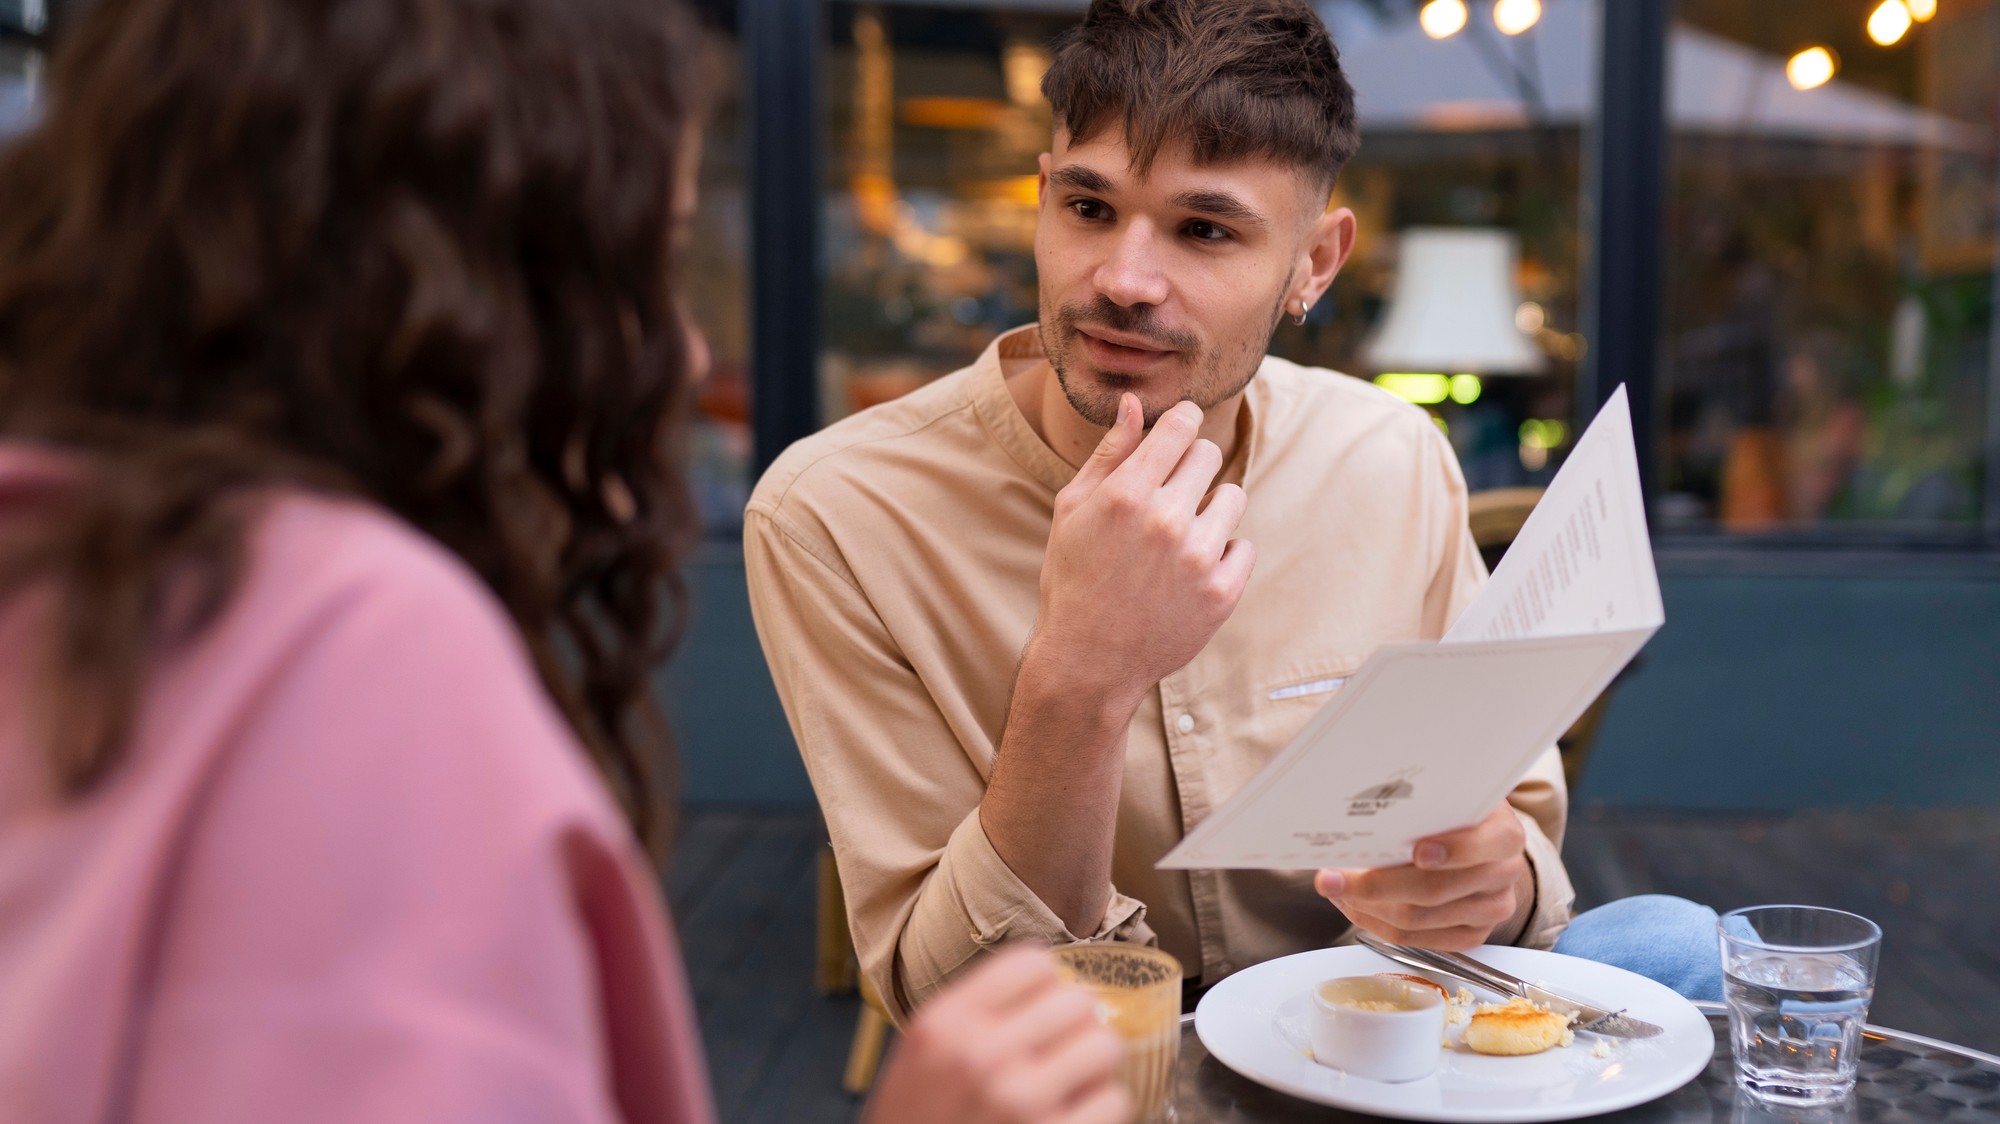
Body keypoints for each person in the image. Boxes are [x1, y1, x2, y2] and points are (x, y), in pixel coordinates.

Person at [0, 0, 1129, 1121]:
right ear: (452, 294)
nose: (686, 349)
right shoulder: (361, 665)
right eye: (645, 261)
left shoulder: (83, 577)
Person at [745, 0, 1722, 1024]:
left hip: (1379, 1022)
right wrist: (1080, 674)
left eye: (1204, 229)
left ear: (1314, 264)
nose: (1124, 280)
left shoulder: (1386, 457)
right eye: (1087, 207)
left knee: (1686, 942)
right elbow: (952, 998)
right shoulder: (837, 514)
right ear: (1041, 198)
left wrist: (1491, 881)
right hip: (1099, 1059)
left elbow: (1515, 845)